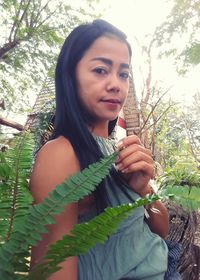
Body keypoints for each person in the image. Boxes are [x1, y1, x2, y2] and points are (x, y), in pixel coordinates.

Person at [30, 19, 180, 280]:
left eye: (123, 74)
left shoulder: (118, 150)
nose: (116, 84)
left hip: (166, 264)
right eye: (100, 70)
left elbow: (161, 230)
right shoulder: (62, 154)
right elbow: (49, 270)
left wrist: (142, 189)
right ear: (70, 75)